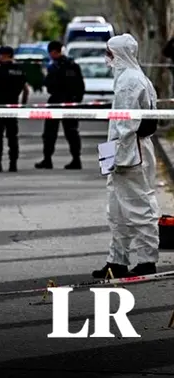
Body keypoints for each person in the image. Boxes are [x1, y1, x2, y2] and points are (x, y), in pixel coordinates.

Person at [94, 34, 160, 279]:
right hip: (120, 150)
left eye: (110, 53)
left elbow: (126, 124)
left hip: (130, 152)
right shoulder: (128, 77)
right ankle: (117, 261)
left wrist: (116, 156)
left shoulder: (130, 81)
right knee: (117, 210)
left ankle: (147, 259)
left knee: (140, 206)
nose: (107, 59)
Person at [0, 46, 30, 173]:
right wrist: (22, 106)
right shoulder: (20, 70)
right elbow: (26, 90)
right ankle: (13, 163)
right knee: (12, 136)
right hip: (13, 107)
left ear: (4, 55)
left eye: (0, 55)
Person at [36, 40, 84, 170]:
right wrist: (76, 100)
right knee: (70, 132)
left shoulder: (55, 67)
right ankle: (75, 159)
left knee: (52, 133)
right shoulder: (73, 65)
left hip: (57, 102)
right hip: (68, 102)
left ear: (53, 52)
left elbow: (48, 84)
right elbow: (80, 86)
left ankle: (48, 159)